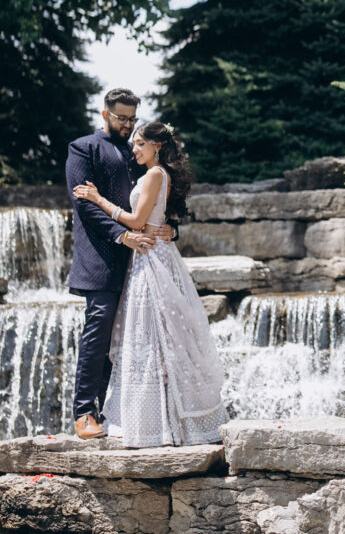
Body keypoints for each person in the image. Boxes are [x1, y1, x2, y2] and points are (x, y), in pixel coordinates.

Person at [72, 120, 228, 447]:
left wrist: (98, 198)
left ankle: (159, 425)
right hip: (148, 254)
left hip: (151, 257)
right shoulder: (154, 173)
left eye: (140, 143)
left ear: (157, 145)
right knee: (153, 337)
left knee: (152, 335)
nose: (134, 148)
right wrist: (164, 225)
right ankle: (159, 421)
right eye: (134, 143)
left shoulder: (155, 174)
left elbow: (137, 221)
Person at [64, 88, 167, 440]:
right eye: (122, 118)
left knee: (127, 336)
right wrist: (122, 236)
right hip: (101, 256)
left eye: (132, 119)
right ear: (105, 114)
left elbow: (158, 193)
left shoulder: (137, 151)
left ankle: (115, 413)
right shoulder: (83, 148)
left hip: (141, 260)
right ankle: (84, 413)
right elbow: (84, 205)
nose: (127, 125)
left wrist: (171, 226)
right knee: (100, 328)